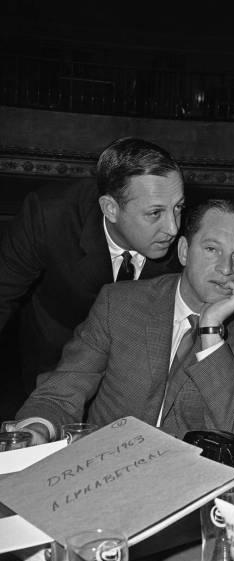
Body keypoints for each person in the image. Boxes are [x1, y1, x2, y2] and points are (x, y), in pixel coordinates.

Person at [14, 199, 234, 443]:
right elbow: (61, 393)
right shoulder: (119, 304)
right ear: (185, 251)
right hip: (105, 470)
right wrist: (35, 430)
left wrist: (211, 329)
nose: (226, 268)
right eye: (212, 249)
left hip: (191, 481)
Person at [0, 137, 184, 394]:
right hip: (53, 360)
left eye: (178, 208)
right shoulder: (49, 216)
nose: (173, 228)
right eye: (155, 213)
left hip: (137, 373)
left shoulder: (189, 239)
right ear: (110, 208)